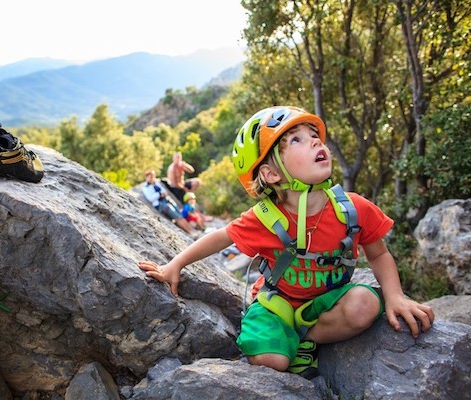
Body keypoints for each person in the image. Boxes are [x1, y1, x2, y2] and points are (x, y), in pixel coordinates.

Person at [138, 106, 434, 378]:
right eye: (296, 140)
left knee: (366, 304)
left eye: (314, 136)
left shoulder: (352, 209)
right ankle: (285, 337)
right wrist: (175, 265)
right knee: (271, 359)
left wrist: (395, 296)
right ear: (271, 173)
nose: (316, 142)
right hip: (275, 303)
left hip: (323, 303)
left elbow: (379, 254)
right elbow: (219, 237)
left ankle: (305, 336)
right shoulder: (266, 217)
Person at [142, 170, 199, 239]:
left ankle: (192, 230)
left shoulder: (156, 184)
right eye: (150, 177)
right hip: (161, 204)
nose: (151, 178)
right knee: (177, 217)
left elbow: (164, 191)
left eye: (152, 176)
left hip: (167, 200)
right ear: (147, 177)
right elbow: (151, 198)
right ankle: (190, 232)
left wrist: (162, 193)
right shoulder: (146, 188)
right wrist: (159, 194)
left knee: (180, 215)